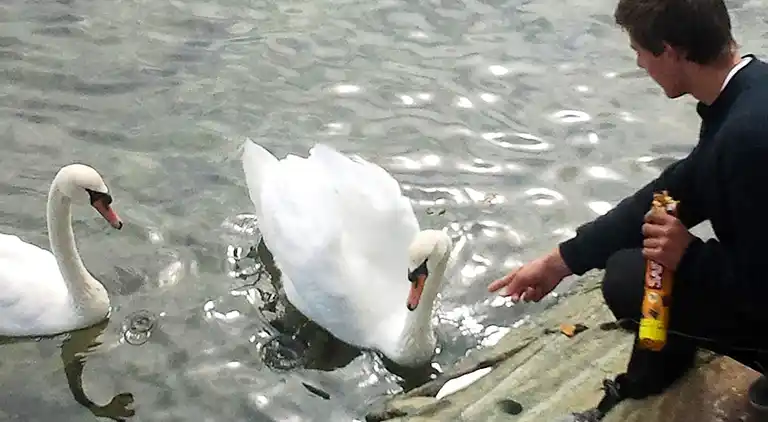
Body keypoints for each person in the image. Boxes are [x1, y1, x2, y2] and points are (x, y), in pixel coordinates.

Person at [488, 0, 768, 419]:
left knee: (628, 278)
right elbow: (674, 191)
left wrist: (690, 256)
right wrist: (560, 262)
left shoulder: (744, 141)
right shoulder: (752, 94)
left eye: (640, 50)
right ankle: (658, 367)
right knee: (645, 263)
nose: (639, 64)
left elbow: (761, 290)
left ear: (671, 51)